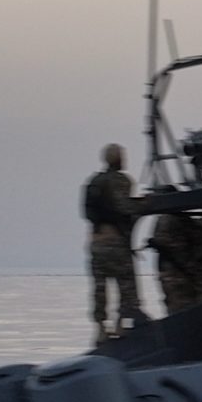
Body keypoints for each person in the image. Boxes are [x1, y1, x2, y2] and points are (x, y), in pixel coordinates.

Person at [82, 144, 145, 341]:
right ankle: (121, 324)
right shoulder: (121, 180)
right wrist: (144, 204)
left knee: (99, 286)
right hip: (116, 241)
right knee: (126, 283)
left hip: (96, 241)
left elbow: (86, 212)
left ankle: (101, 328)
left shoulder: (94, 182)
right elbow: (124, 207)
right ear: (118, 159)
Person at [148, 208, 202, 315]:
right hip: (179, 275)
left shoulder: (164, 219)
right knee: (184, 308)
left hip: (173, 273)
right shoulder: (176, 220)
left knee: (177, 307)